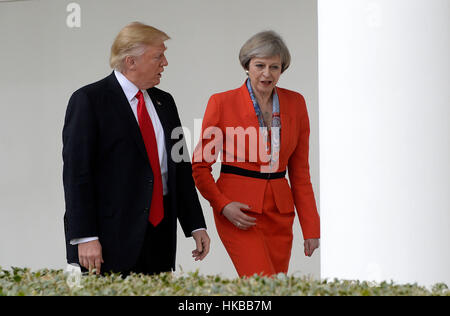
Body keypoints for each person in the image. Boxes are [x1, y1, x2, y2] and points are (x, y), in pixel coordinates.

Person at [63, 22, 210, 276]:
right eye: (158, 56)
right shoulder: (89, 100)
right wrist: (85, 236)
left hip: (160, 236)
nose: (165, 63)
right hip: (109, 240)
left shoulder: (165, 102)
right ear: (131, 61)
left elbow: (180, 168)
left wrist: (195, 224)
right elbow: (77, 175)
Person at [192, 30, 320, 277]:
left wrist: (311, 227)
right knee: (259, 283)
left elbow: (301, 173)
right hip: (239, 212)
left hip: (280, 214)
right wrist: (222, 205)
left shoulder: (296, 103)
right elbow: (199, 166)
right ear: (247, 66)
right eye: (259, 65)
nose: (267, 73)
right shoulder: (222, 102)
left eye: (275, 67)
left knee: (275, 287)